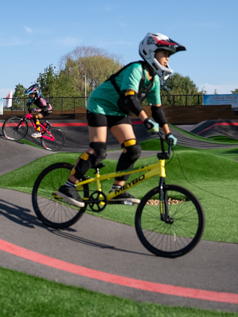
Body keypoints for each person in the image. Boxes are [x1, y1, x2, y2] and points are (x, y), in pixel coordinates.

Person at [56, 33, 185, 208]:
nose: (167, 59)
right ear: (151, 53)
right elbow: (130, 99)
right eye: (165, 54)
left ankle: (117, 190)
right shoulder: (135, 70)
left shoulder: (153, 80)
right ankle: (68, 186)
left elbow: (157, 109)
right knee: (98, 151)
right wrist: (145, 120)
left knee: (133, 150)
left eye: (169, 56)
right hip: (99, 106)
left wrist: (169, 134)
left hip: (117, 111)